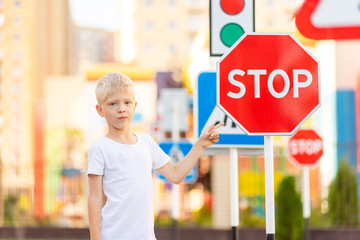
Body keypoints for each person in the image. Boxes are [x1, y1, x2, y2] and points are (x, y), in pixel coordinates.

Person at [87, 72, 223, 240]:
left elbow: (175, 175)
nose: (121, 108)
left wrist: (200, 144)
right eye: (113, 104)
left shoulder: (147, 143)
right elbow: (94, 198)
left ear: (134, 106)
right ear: (100, 110)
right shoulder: (99, 148)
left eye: (127, 102)